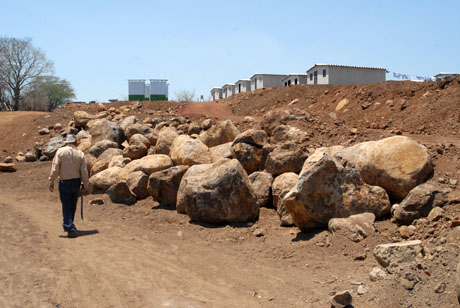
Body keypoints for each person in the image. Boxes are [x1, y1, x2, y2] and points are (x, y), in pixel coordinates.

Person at [48, 134, 89, 238]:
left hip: (65, 181)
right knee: (72, 205)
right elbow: (84, 171)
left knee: (66, 205)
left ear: (66, 142)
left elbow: (55, 168)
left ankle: (69, 227)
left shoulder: (60, 151)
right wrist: (85, 185)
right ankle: (70, 225)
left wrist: (51, 180)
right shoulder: (80, 153)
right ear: (75, 142)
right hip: (76, 182)